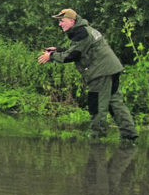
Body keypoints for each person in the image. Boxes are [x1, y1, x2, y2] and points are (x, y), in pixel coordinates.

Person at [38, 8, 138, 142]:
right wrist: (58, 50)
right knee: (115, 103)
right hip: (111, 70)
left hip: (100, 73)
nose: (60, 24)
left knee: (96, 106)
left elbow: (73, 55)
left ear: (72, 21)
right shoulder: (84, 30)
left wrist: (51, 56)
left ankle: (96, 139)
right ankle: (129, 136)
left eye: (62, 21)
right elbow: (79, 49)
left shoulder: (82, 33)